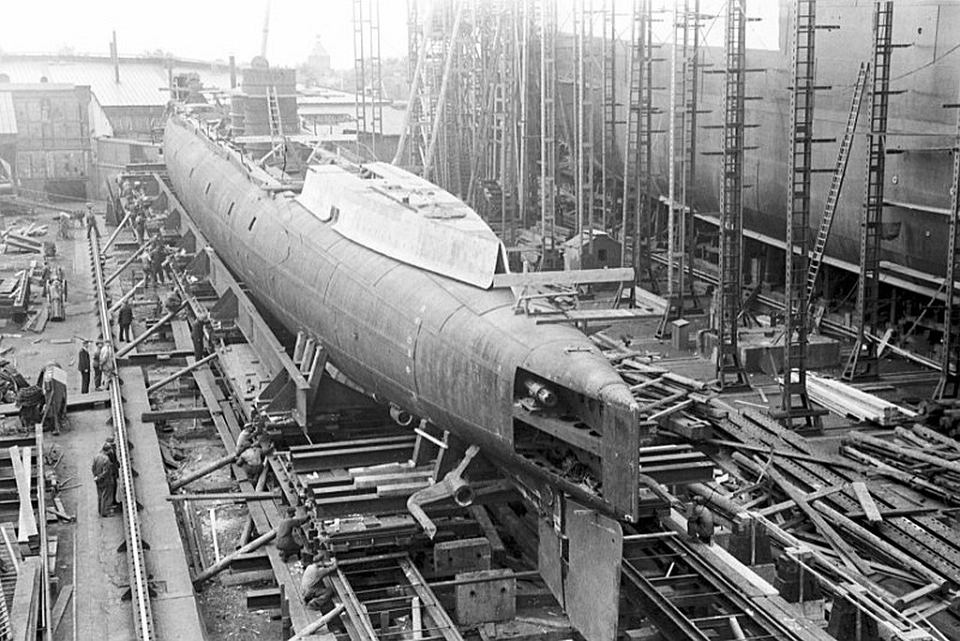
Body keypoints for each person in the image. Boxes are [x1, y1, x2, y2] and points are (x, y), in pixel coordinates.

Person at [92, 443, 118, 517]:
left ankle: (100, 510)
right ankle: (106, 512)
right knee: (107, 496)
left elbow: (93, 467)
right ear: (108, 450)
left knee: (100, 495)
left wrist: (96, 476)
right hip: (106, 480)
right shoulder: (106, 459)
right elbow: (106, 472)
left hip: (97, 479)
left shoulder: (96, 456)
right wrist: (100, 477)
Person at [103, 436, 122, 509]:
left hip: (113, 472)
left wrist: (117, 463)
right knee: (111, 487)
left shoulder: (111, 449)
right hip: (110, 473)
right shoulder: (107, 452)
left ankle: (113, 501)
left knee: (114, 486)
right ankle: (110, 504)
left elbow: (114, 460)